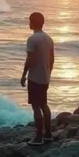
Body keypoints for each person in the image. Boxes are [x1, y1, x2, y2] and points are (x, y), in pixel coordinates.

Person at [20, 12, 54, 146]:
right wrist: (48, 73)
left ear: (32, 23)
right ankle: (48, 135)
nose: (29, 23)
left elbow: (29, 59)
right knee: (44, 104)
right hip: (45, 77)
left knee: (35, 106)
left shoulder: (32, 39)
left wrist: (24, 75)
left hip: (34, 78)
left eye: (30, 21)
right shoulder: (49, 39)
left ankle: (38, 137)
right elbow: (52, 59)